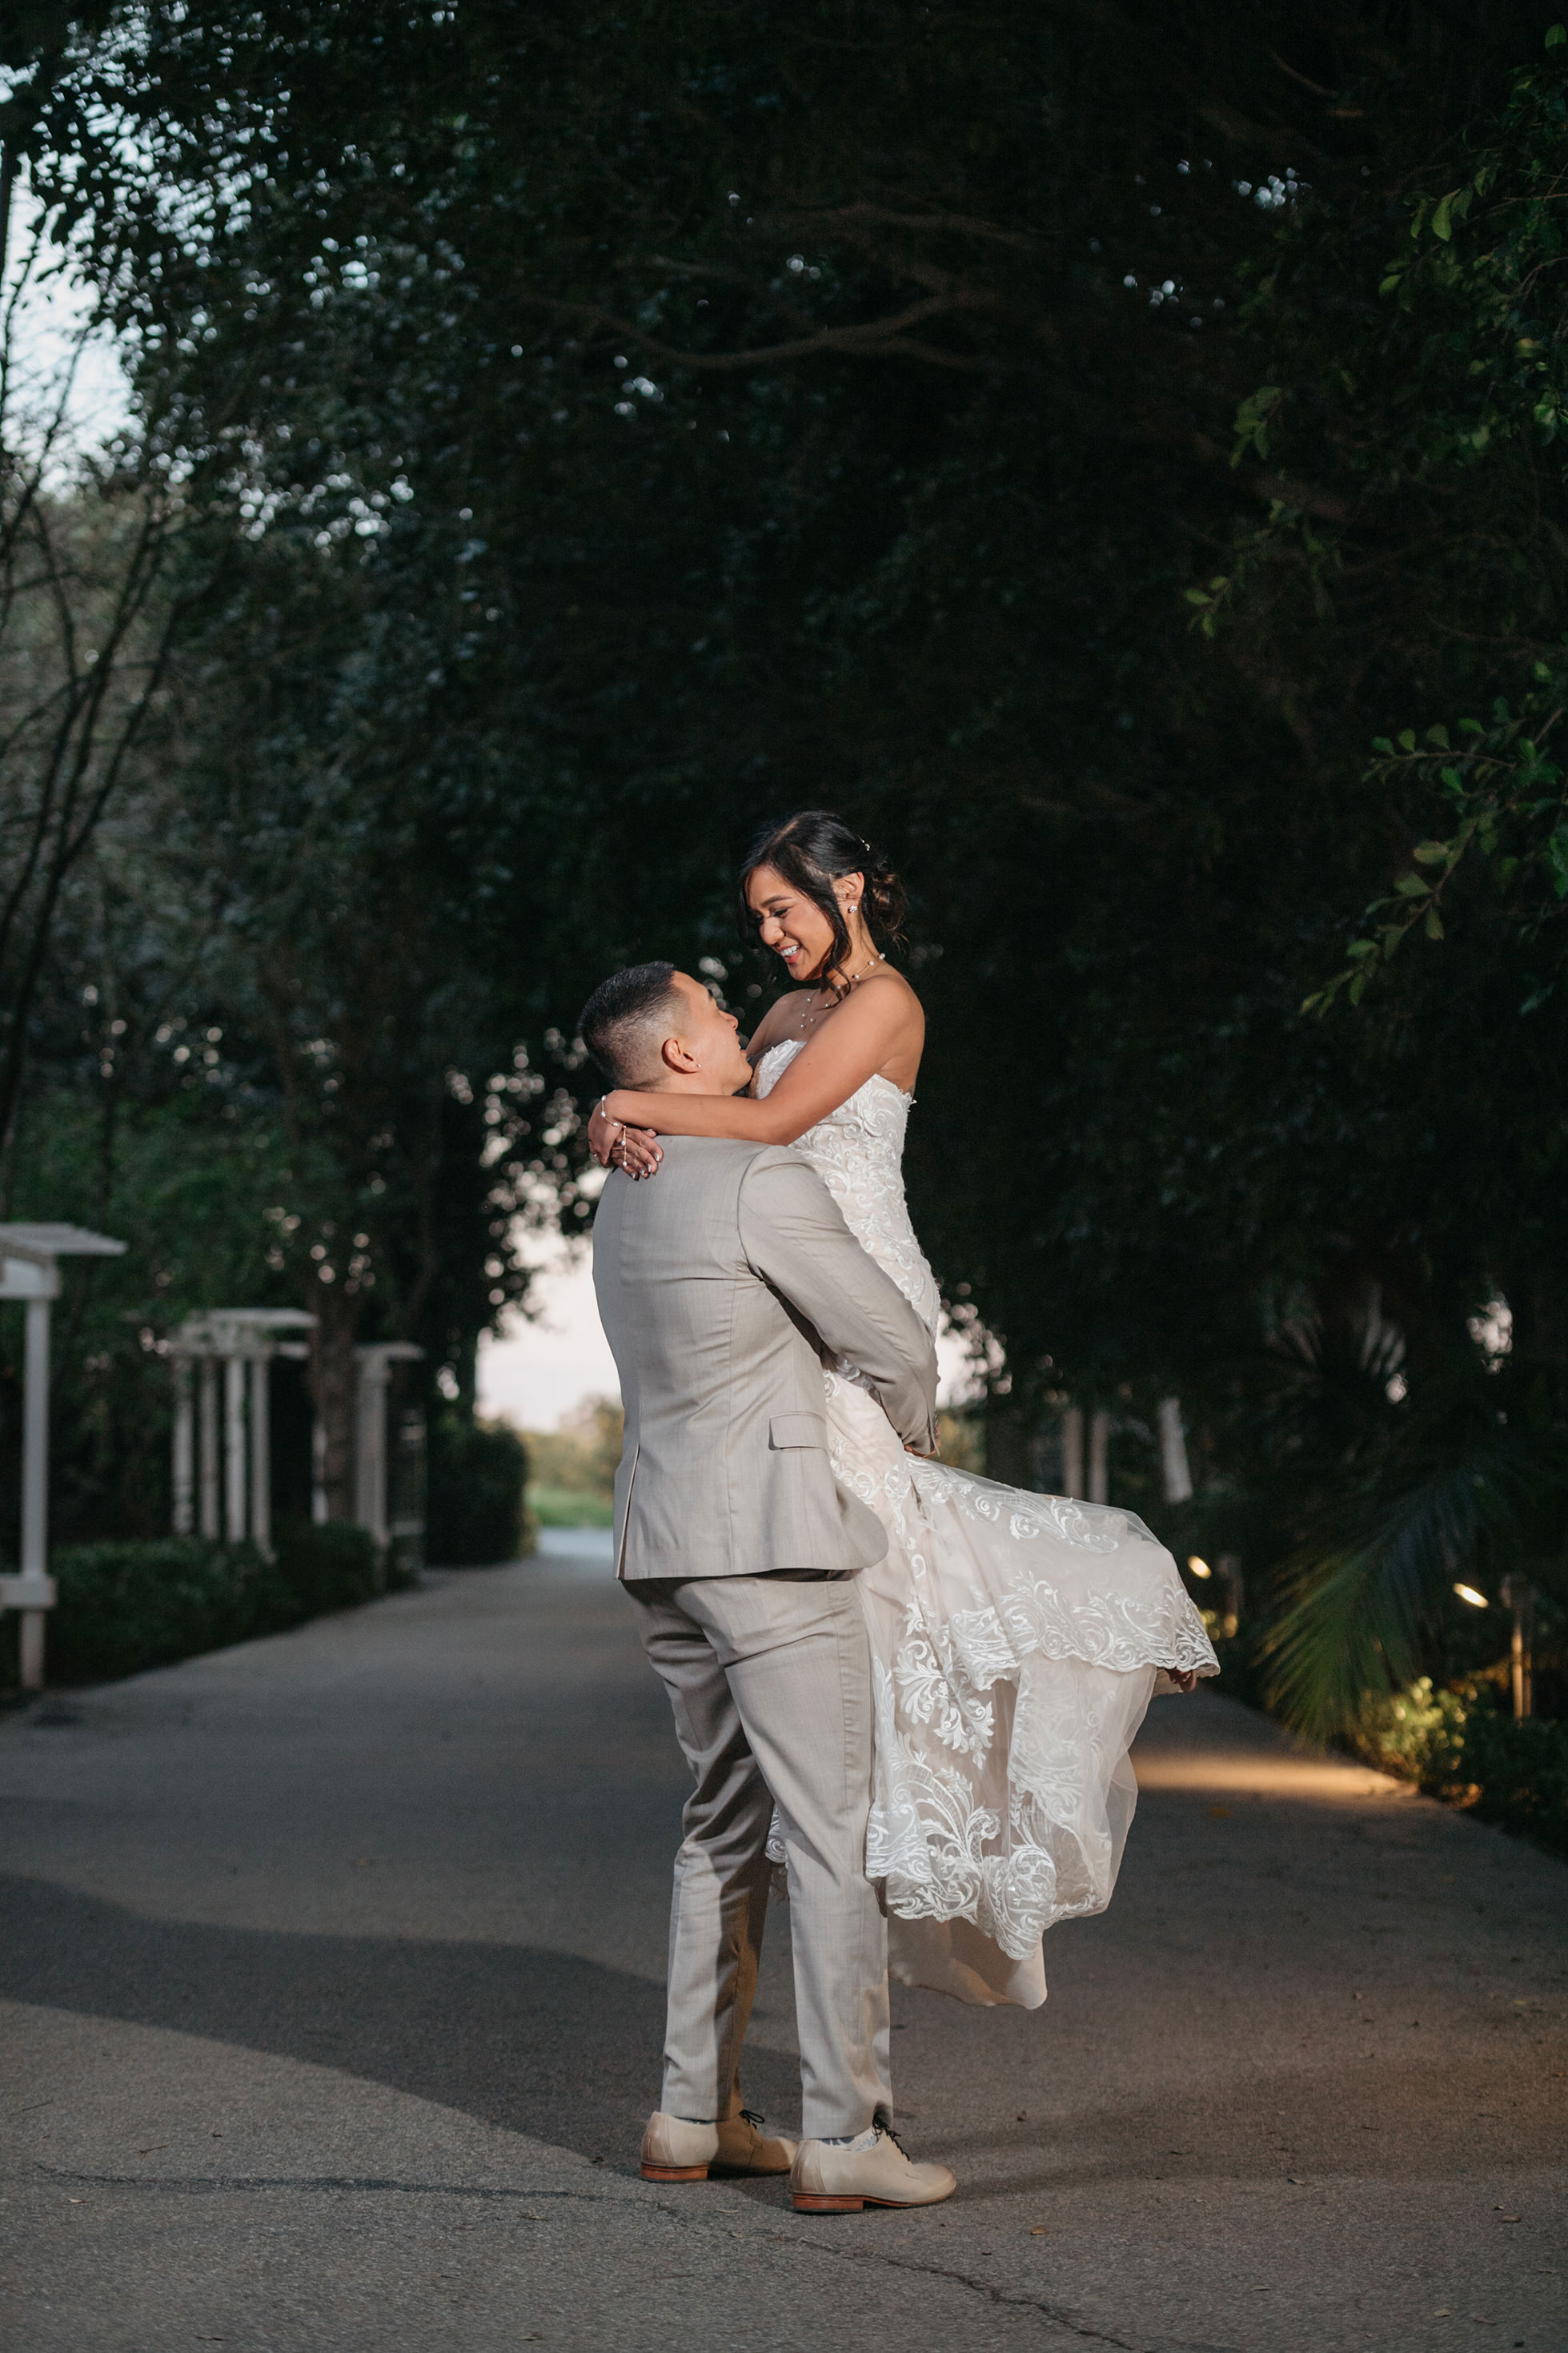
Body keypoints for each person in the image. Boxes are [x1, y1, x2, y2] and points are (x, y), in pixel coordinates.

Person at [587, 811, 1218, 2010]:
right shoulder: (772, 1019)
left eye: (785, 908)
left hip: (858, 1284)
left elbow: (767, 1124)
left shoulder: (886, 1005)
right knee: (857, 1553)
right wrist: (612, 1111)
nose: (767, 936)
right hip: (779, 1291)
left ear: (853, 888)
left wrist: (633, 1110)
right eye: (758, 918)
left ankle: (1086, 1633)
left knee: (887, 1541)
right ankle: (846, 1796)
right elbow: (717, 1097)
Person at [580, 957, 960, 2213]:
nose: (740, 1021)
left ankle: (694, 2115)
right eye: (719, 1013)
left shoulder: (619, 1194)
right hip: (774, 1544)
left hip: (665, 1543)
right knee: (833, 1837)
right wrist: (907, 1432)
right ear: (681, 1056)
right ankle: (847, 2132)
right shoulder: (756, 1173)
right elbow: (893, 1342)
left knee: (719, 1826)